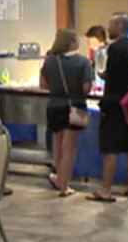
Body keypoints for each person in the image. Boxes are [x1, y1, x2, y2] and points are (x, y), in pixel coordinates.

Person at [89, 13, 128, 202]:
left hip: (114, 103)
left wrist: (105, 77)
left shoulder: (114, 49)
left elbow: (112, 76)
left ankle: (106, 189)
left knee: (110, 148)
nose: (108, 28)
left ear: (120, 27)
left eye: (112, 25)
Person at [40, 29, 93, 197]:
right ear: (71, 42)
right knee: (69, 148)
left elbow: (43, 85)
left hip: (54, 105)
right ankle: (65, 186)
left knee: (58, 146)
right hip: (75, 106)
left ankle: (58, 179)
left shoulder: (49, 61)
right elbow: (86, 88)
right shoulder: (83, 62)